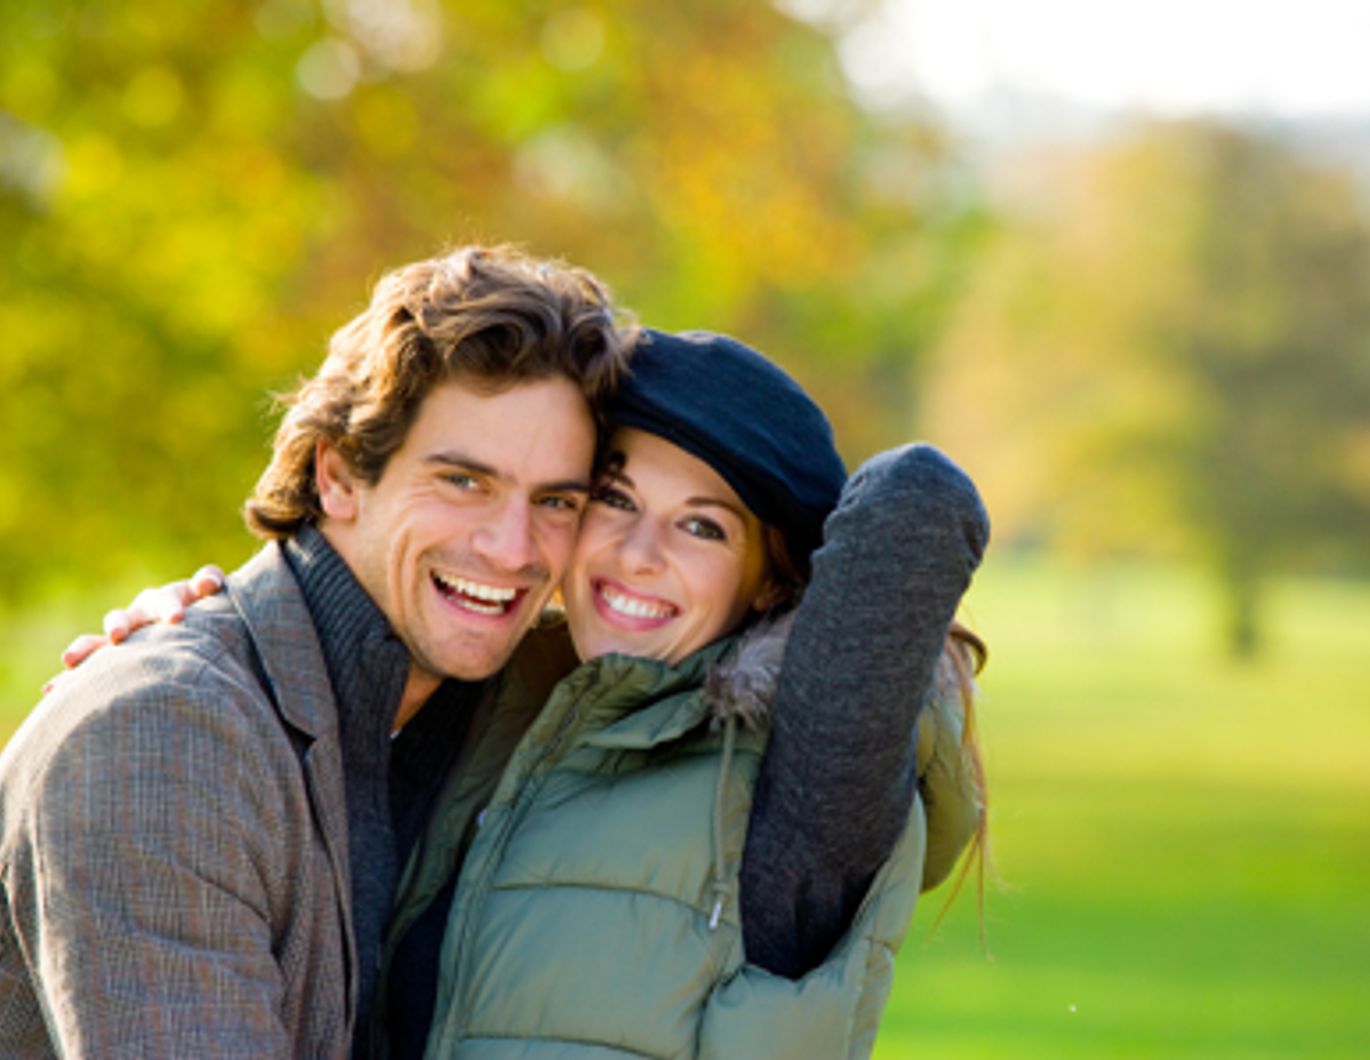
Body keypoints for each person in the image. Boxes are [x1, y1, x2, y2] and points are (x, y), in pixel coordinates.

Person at [85, 330, 990, 1057]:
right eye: (613, 498)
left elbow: (918, 501)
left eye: (703, 528)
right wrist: (203, 635)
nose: (638, 554)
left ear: (770, 580)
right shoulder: (492, 707)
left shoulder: (795, 790)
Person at [0, 245, 633, 1057]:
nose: (513, 548)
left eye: (555, 501)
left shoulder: (483, 722)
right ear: (337, 476)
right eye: (463, 482)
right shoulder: (166, 736)